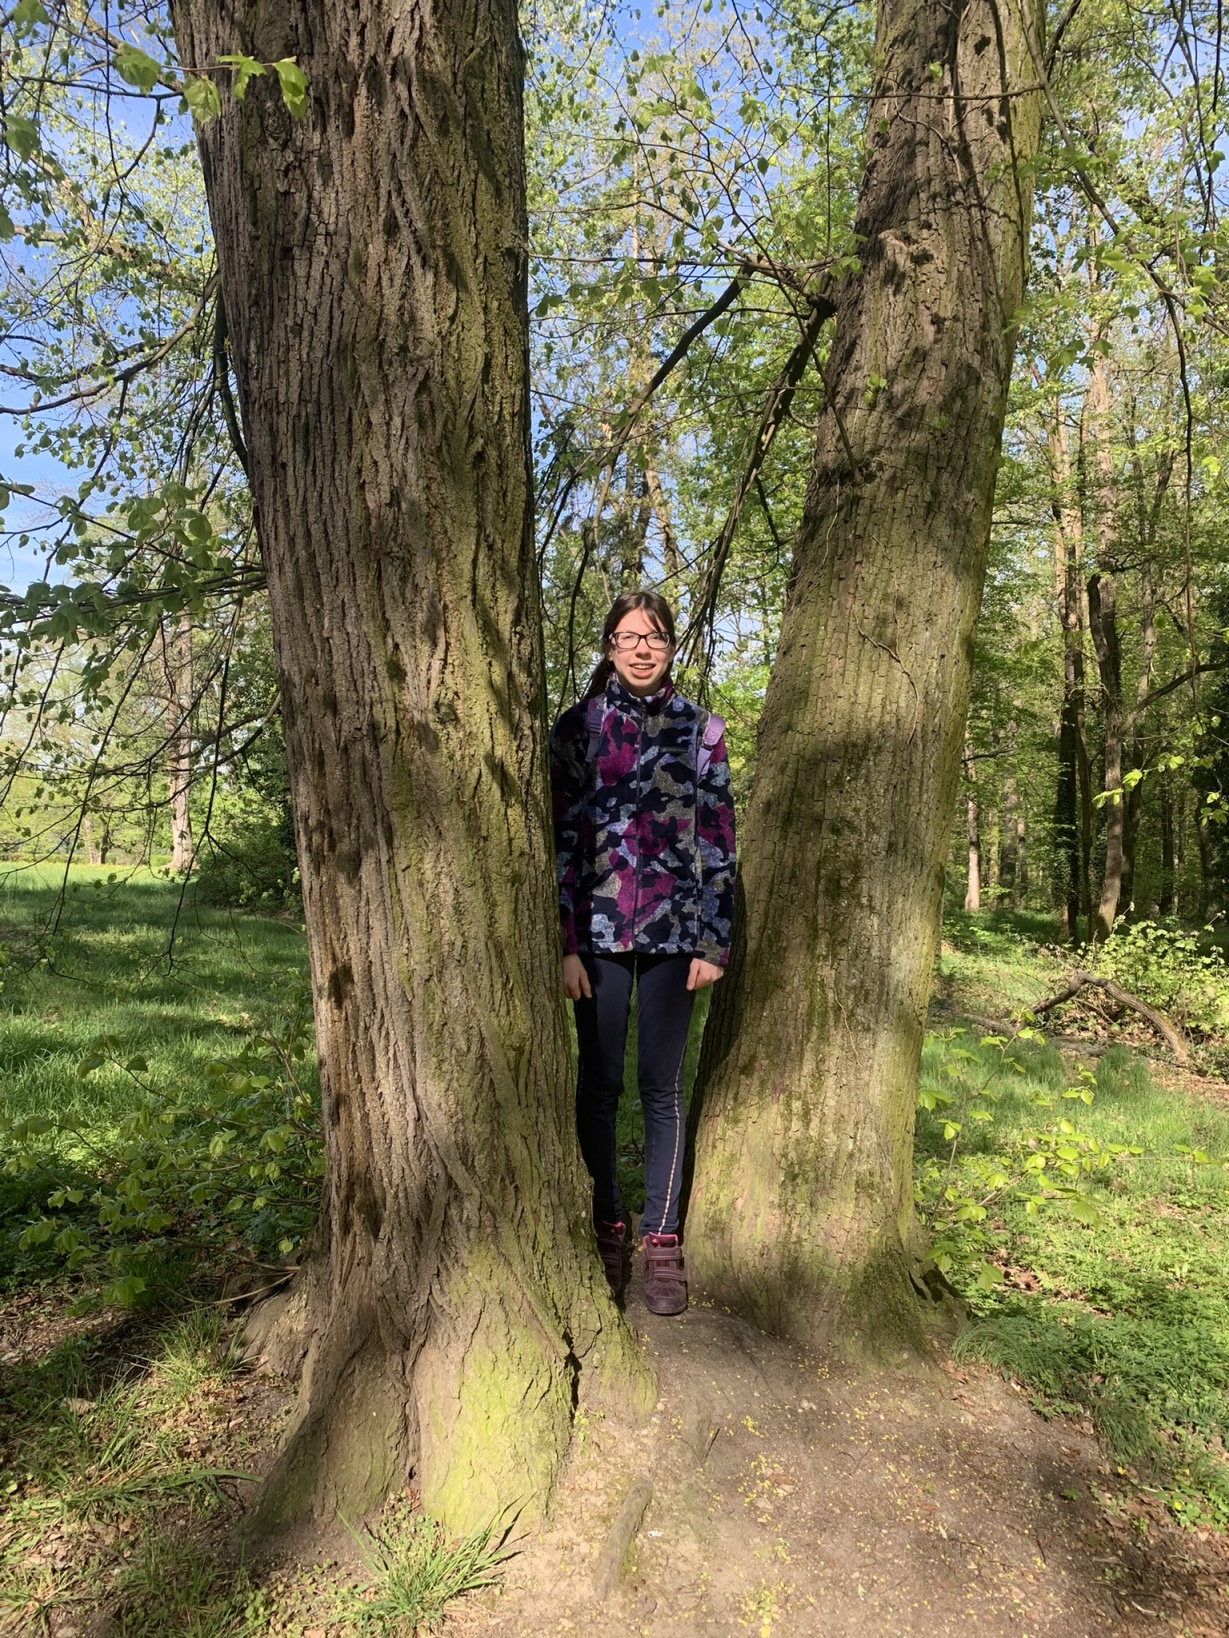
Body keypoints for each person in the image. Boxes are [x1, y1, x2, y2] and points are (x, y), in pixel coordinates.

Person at [549, 590, 736, 1315]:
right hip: (595, 934)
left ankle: (661, 1238)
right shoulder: (579, 729)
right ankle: (606, 1222)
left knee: (662, 1086)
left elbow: (718, 841)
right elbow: (562, 840)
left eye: (653, 637)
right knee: (599, 1085)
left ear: (669, 647)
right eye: (627, 637)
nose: (640, 649)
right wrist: (566, 943)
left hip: (675, 934)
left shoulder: (702, 731)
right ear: (608, 647)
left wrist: (714, 941)